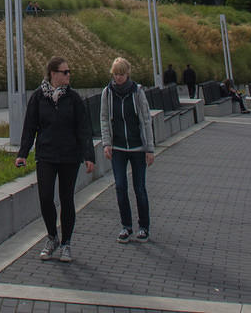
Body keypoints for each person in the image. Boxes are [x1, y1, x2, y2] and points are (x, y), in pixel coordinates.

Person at [15, 56, 95, 263]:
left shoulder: (74, 99)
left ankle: (66, 243)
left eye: (69, 72)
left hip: (69, 155)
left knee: (67, 199)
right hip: (46, 155)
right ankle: (52, 237)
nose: (68, 75)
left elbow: (84, 129)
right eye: (64, 72)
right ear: (53, 74)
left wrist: (88, 156)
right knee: (45, 197)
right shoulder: (38, 98)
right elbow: (29, 127)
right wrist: (22, 153)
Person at [100, 56, 155, 243]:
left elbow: (146, 120)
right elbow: (104, 119)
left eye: (121, 74)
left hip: (137, 147)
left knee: (139, 188)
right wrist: (106, 143)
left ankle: (144, 226)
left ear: (127, 73)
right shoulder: (107, 93)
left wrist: (149, 148)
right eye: (115, 74)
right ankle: (126, 226)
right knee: (120, 186)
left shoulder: (137, 92)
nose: (118, 78)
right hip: (118, 148)